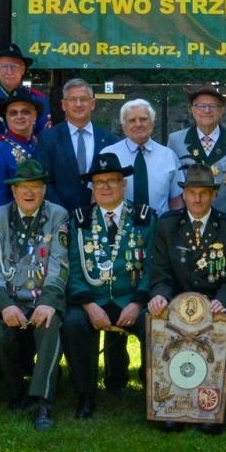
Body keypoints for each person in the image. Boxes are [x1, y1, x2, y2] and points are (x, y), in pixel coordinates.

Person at [146, 160, 226, 434]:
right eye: (192, 193)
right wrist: (160, 296)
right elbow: (160, 270)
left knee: (218, 336)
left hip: (214, 304)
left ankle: (210, 408)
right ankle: (171, 405)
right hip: (176, 304)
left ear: (214, 194)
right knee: (161, 327)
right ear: (184, 194)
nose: (197, 199)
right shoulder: (168, 224)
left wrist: (223, 299)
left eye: (203, 193)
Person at [0, 159, 70, 430]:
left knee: (50, 326)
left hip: (43, 299)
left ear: (44, 190)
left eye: (35, 186)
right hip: (10, 299)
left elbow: (60, 262)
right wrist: (4, 305)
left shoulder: (58, 215)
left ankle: (43, 403)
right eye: (23, 187)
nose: (29, 192)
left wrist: (48, 302)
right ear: (14, 191)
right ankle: (15, 391)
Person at [63, 152, 154, 419]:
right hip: (93, 299)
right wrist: (89, 306)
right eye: (99, 182)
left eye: (112, 180)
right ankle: (85, 395)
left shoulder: (144, 217)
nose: (105, 187)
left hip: (132, 299)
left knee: (155, 326)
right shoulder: (80, 220)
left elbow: (153, 267)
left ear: (123, 184)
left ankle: (154, 393)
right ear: (92, 187)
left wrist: (137, 304)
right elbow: (73, 269)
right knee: (72, 324)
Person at [166, 83, 226, 216]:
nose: (207, 111)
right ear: (192, 109)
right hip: (186, 221)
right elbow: (171, 188)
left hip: (224, 221)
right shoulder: (176, 141)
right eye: (201, 106)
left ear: (222, 110)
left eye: (213, 106)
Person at [38, 77, 116, 214]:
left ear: (92, 104)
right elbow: (43, 180)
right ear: (64, 104)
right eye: (73, 100)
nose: (78, 104)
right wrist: (59, 213)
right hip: (59, 217)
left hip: (100, 216)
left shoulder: (109, 140)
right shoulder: (48, 139)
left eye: (83, 99)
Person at [110, 98, 183, 216]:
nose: (138, 124)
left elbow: (176, 200)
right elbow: (96, 197)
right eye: (132, 120)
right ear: (124, 126)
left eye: (143, 119)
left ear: (152, 123)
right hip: (119, 226)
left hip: (160, 225)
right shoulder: (109, 155)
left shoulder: (169, 156)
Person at [0, 89, 44, 210]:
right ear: (6, 117)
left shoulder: (41, 144)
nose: (19, 116)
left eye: (25, 112)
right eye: (13, 113)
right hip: (13, 218)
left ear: (34, 115)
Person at [0, 43, 49, 133]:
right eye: (4, 66)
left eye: (14, 66)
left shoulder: (37, 99)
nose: (9, 71)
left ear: (23, 70)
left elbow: (44, 135)